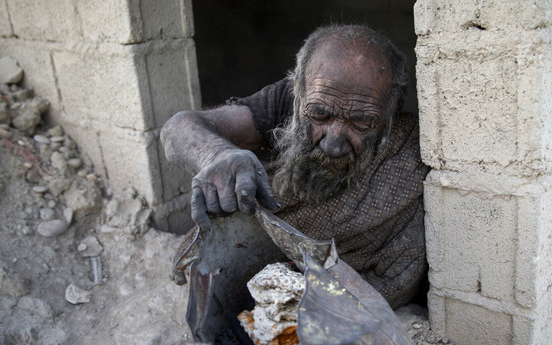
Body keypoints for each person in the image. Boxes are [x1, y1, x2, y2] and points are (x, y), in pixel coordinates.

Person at [161, 24, 429, 308]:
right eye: (319, 115)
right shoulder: (286, 100)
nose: (334, 144)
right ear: (298, 91)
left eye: (362, 122)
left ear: (391, 110)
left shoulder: (409, 147)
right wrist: (216, 154)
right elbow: (176, 129)